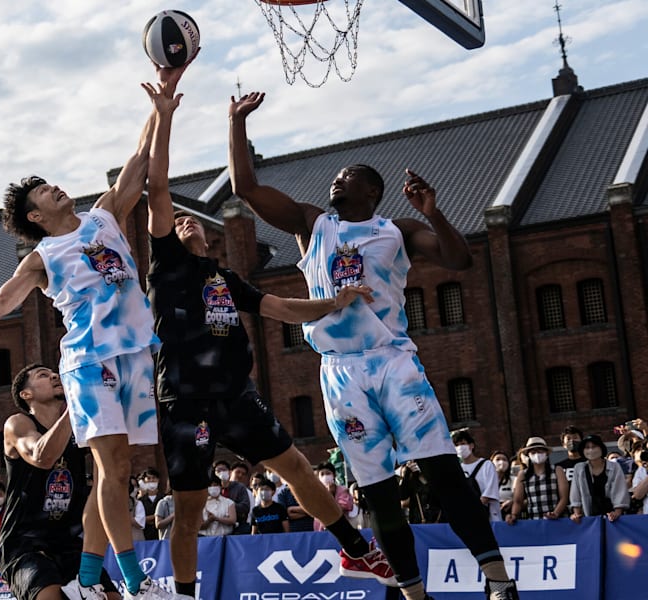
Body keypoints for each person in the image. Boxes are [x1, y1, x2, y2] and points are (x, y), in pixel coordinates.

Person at [230, 91, 519, 600]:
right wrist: (237, 124)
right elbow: (246, 187)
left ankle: (498, 581)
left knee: (443, 475)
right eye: (336, 177)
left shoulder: (396, 231)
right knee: (378, 493)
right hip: (340, 371)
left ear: (372, 191)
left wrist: (435, 212)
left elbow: (460, 262)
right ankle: (413, 594)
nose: (337, 180)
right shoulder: (314, 225)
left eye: (348, 177)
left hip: (393, 363)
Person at [0, 64, 187, 600]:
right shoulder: (43, 257)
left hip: (136, 353)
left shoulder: (104, 216)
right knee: (111, 465)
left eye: (51, 183)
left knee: (121, 469)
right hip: (89, 361)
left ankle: (90, 572)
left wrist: (160, 111)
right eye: (43, 191)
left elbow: (138, 166)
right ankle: (135, 580)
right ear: (35, 216)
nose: (55, 188)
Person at [142, 79, 391, 599]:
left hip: (236, 393)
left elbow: (281, 308)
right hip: (187, 401)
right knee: (187, 506)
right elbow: (158, 186)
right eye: (177, 222)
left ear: (207, 238)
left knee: (296, 465)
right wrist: (164, 115)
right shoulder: (165, 268)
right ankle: (184, 594)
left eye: (193, 223)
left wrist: (335, 302)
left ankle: (354, 547)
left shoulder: (225, 280)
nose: (184, 223)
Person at [0, 364, 120, 600]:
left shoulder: (80, 428)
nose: (54, 375)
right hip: (25, 543)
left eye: (54, 373)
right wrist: (73, 408)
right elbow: (42, 457)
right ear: (26, 394)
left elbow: (109, 471)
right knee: (50, 596)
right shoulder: (18, 424)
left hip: (68, 542)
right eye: (43, 375)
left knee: (112, 597)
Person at [569, 434, 630, 522]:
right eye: (587, 447)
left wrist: (617, 512)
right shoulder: (579, 468)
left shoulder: (614, 467)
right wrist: (577, 513)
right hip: (589, 515)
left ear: (601, 448)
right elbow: (575, 492)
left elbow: (620, 489)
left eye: (594, 446)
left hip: (612, 516)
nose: (591, 450)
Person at [508, 437, 566, 522]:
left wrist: (555, 513)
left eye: (540, 451)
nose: (537, 454)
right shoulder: (523, 474)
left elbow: (564, 497)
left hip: (557, 520)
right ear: (528, 455)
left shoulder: (557, 470)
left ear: (546, 453)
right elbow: (518, 501)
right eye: (533, 452)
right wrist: (514, 515)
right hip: (535, 521)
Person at [452, 430, 501, 522]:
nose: (459, 448)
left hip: (488, 516)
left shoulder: (487, 465)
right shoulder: (457, 469)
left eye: (462, 444)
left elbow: (490, 492)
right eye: (456, 445)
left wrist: (474, 509)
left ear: (471, 445)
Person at [311, 463, 356, 531]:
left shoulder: (343, 490)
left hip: (341, 528)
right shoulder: (316, 493)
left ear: (334, 475)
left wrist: (330, 494)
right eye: (322, 474)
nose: (325, 476)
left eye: (328, 473)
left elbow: (342, 508)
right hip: (321, 530)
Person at [136, 469, 162, 541]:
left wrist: (149, 518)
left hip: (161, 536)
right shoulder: (140, 501)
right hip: (146, 536)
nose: (151, 480)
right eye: (149, 478)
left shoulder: (164, 498)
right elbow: (139, 520)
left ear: (158, 480)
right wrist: (157, 516)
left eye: (154, 478)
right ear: (144, 481)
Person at [492, 451, 516, 519]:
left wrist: (512, 501)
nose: (501, 462)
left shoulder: (514, 480)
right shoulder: (487, 481)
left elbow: (519, 497)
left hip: (508, 513)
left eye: (504, 459)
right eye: (498, 459)